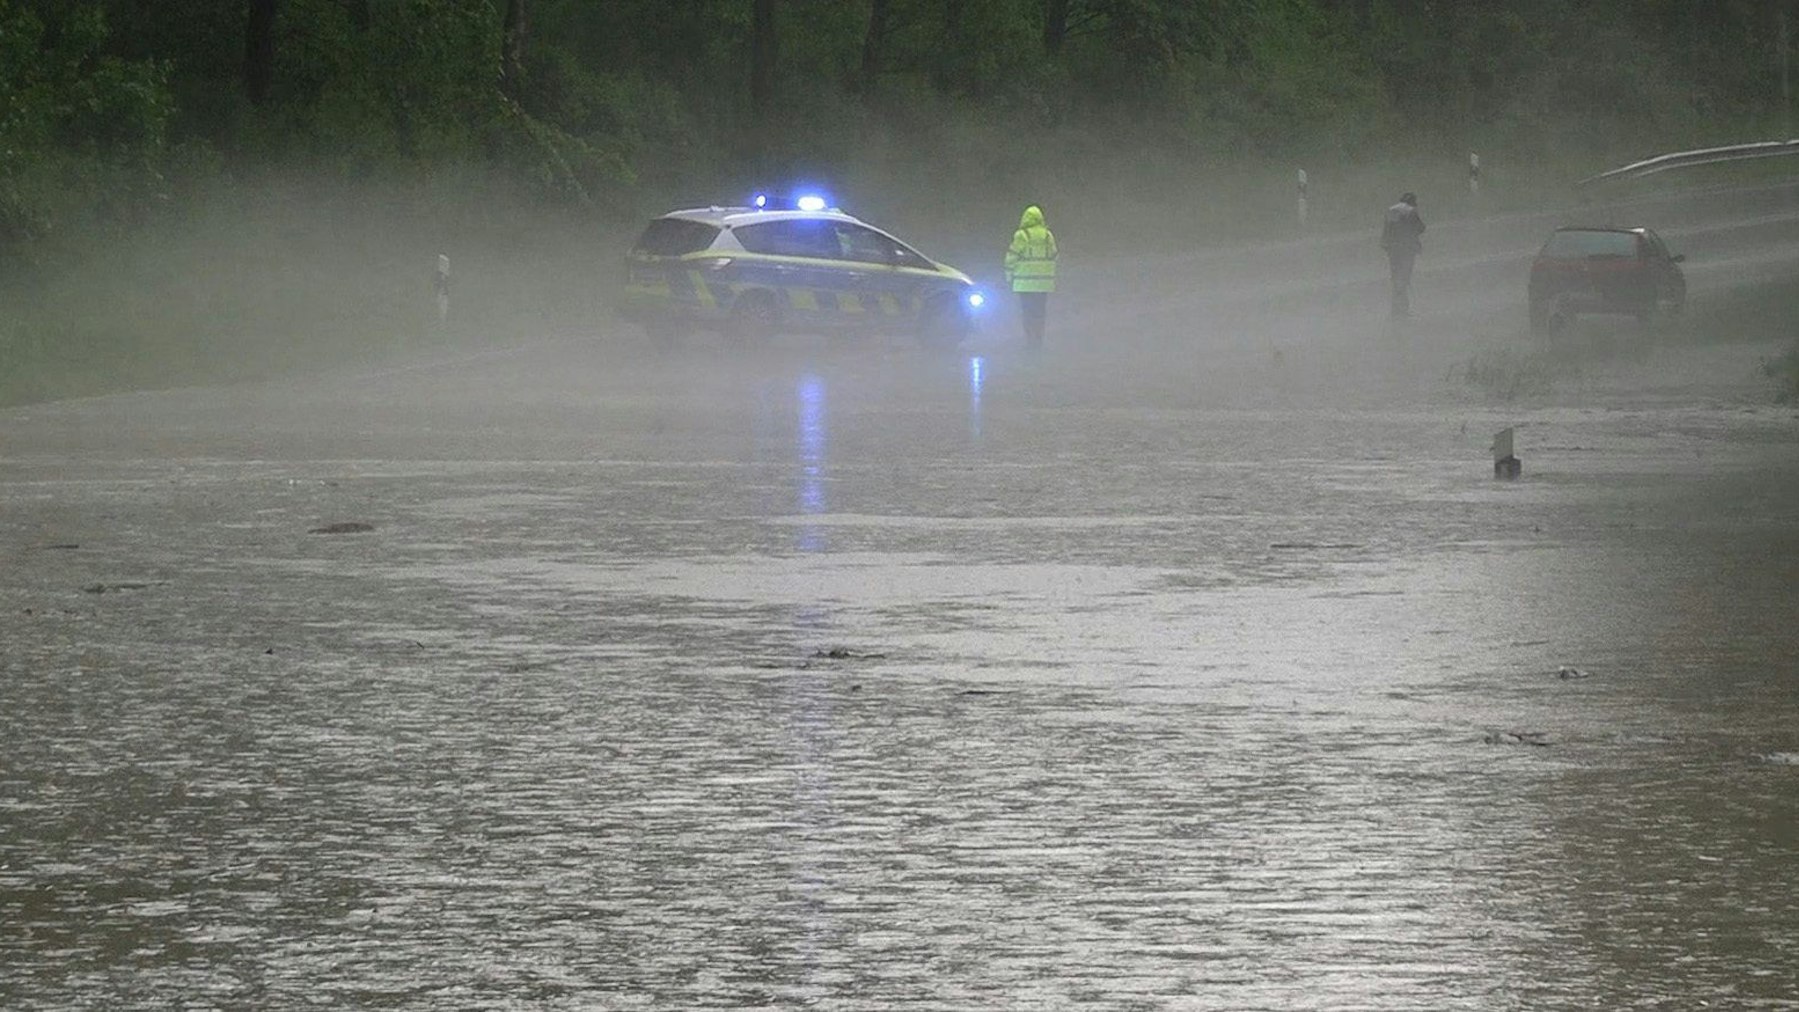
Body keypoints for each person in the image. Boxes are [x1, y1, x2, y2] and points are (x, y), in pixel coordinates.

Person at [1004, 204, 1058, 347]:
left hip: (1025, 284)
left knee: (1027, 312)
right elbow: (1054, 255)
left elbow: (1011, 257)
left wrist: (1009, 277)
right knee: (1040, 312)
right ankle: (1039, 339)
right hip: (1043, 284)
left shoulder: (1022, 236)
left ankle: (1030, 340)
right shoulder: (1048, 235)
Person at [1380, 192, 1424, 318]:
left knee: (1395, 279)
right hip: (1406, 250)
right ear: (1412, 202)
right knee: (1404, 279)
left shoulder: (1391, 210)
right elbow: (1420, 228)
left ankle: (1395, 310)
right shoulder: (1410, 211)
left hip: (1392, 251)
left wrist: (1386, 245)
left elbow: (1387, 230)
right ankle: (1403, 310)